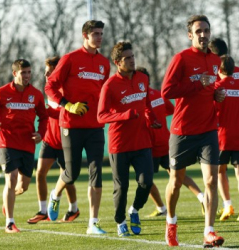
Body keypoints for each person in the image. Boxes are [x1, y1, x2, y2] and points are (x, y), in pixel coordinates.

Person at [161, 15, 225, 247]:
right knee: (176, 181)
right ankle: (171, 221)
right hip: (182, 130)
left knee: (211, 181)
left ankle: (209, 231)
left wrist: (217, 93)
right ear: (190, 35)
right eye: (198, 31)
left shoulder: (216, 60)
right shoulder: (181, 58)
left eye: (206, 30)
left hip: (208, 129)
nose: (203, 35)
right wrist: (199, 84)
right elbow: (166, 91)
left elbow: (212, 87)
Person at [44, 20, 110, 234]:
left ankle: (93, 222)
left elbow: (105, 92)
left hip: (95, 126)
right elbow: (50, 85)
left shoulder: (104, 63)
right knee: (71, 173)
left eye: (101, 33)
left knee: (96, 172)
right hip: (71, 125)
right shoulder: (70, 59)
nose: (99, 37)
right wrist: (68, 105)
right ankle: (55, 194)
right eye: (95, 34)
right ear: (85, 35)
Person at [97, 42, 161, 237]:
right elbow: (101, 116)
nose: (132, 60)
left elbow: (147, 103)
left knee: (146, 182)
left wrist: (151, 118)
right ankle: (120, 220)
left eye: (133, 56)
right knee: (121, 187)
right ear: (118, 62)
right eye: (127, 58)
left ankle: (134, 210)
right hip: (119, 145)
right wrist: (125, 115)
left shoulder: (142, 78)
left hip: (142, 142)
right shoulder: (109, 85)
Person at [0, 59, 48, 233]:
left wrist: (41, 133)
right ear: (14, 74)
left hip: (27, 144)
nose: (26, 76)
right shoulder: (2, 92)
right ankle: (9, 222)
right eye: (23, 72)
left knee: (23, 186)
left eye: (29, 72)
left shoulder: (36, 94)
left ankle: (7, 202)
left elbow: (44, 116)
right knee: (10, 179)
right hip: (7, 142)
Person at [136, 67, 206, 218]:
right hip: (167, 142)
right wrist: (159, 116)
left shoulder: (137, 97)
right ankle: (201, 196)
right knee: (177, 174)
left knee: (144, 180)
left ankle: (161, 207)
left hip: (150, 145)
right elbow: (171, 109)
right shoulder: (159, 95)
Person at [209, 38, 239, 220]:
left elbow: (212, 110)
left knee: (220, 171)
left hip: (222, 135)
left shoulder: (216, 81)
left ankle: (227, 205)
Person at [27, 56, 79, 224]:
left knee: (67, 177)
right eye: (45, 72)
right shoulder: (48, 89)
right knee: (40, 173)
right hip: (49, 140)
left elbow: (63, 113)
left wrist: (43, 111)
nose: (46, 75)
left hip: (65, 141)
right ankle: (43, 210)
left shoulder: (67, 90)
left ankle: (73, 208)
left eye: (50, 72)